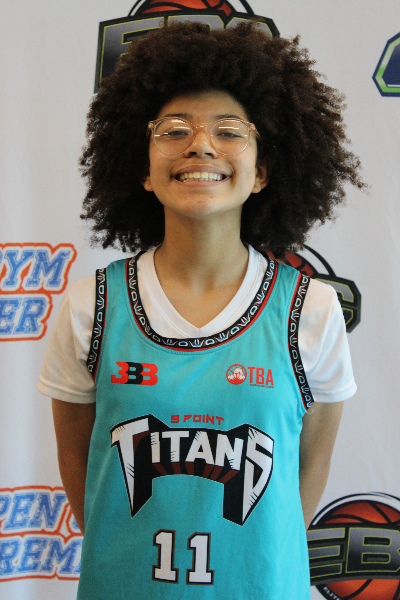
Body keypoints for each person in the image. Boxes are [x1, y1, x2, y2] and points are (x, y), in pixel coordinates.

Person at [37, 21, 364, 599]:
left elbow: (307, 472)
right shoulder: (92, 306)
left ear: (263, 171)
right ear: (143, 168)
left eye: (229, 130)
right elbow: (82, 473)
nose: (201, 145)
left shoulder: (310, 309)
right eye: (174, 130)